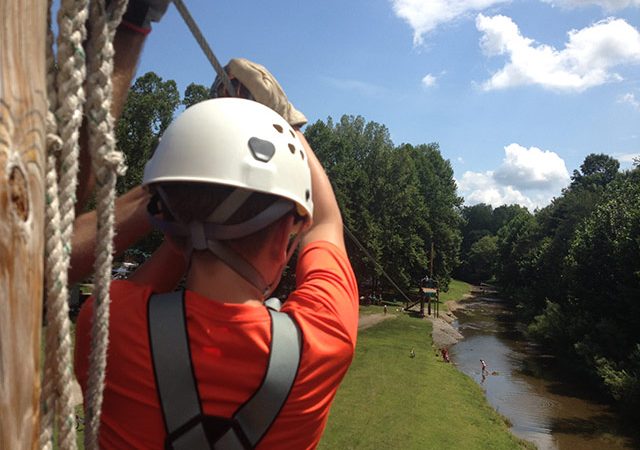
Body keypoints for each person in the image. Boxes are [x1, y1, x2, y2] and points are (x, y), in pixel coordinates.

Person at [73, 3, 358, 449]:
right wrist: (282, 123)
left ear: (170, 224)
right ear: (287, 236)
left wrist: (197, 170)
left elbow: (145, 265)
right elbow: (326, 222)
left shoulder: (107, 327)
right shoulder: (322, 342)